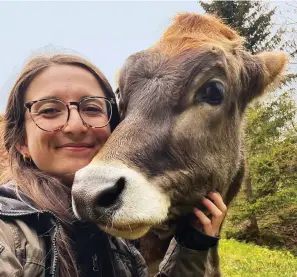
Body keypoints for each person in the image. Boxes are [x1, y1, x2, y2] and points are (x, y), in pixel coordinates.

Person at [0, 53, 227, 277]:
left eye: (92, 108)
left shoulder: (116, 234)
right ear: (22, 142)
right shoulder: (9, 233)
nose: (76, 126)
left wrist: (191, 246)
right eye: (49, 110)